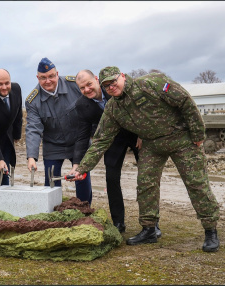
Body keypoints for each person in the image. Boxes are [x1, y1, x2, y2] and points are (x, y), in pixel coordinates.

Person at [74, 66, 220, 252]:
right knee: (145, 184)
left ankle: (210, 230)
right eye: (107, 85)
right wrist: (82, 169)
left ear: (123, 77)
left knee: (196, 183)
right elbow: (101, 140)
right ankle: (149, 229)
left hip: (180, 138)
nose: (111, 87)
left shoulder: (151, 83)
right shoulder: (113, 108)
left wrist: (198, 132)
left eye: (114, 81)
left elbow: (184, 100)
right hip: (152, 144)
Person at [72, 69, 154, 234]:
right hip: (112, 140)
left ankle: (151, 223)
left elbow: (141, 110)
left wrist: (143, 133)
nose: (87, 90)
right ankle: (118, 223)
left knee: (147, 177)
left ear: (96, 79)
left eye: (89, 84)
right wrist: (76, 164)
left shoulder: (113, 88)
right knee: (111, 178)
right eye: (82, 88)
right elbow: (82, 137)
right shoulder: (81, 105)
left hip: (136, 134)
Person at [25, 57, 92, 205]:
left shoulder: (74, 85)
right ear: (38, 78)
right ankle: (53, 211)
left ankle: (85, 209)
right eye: (43, 78)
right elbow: (33, 128)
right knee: (51, 180)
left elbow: (91, 106)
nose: (47, 81)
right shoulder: (32, 100)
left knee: (81, 177)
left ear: (57, 74)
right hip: (53, 144)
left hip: (78, 141)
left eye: (51, 76)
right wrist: (31, 156)